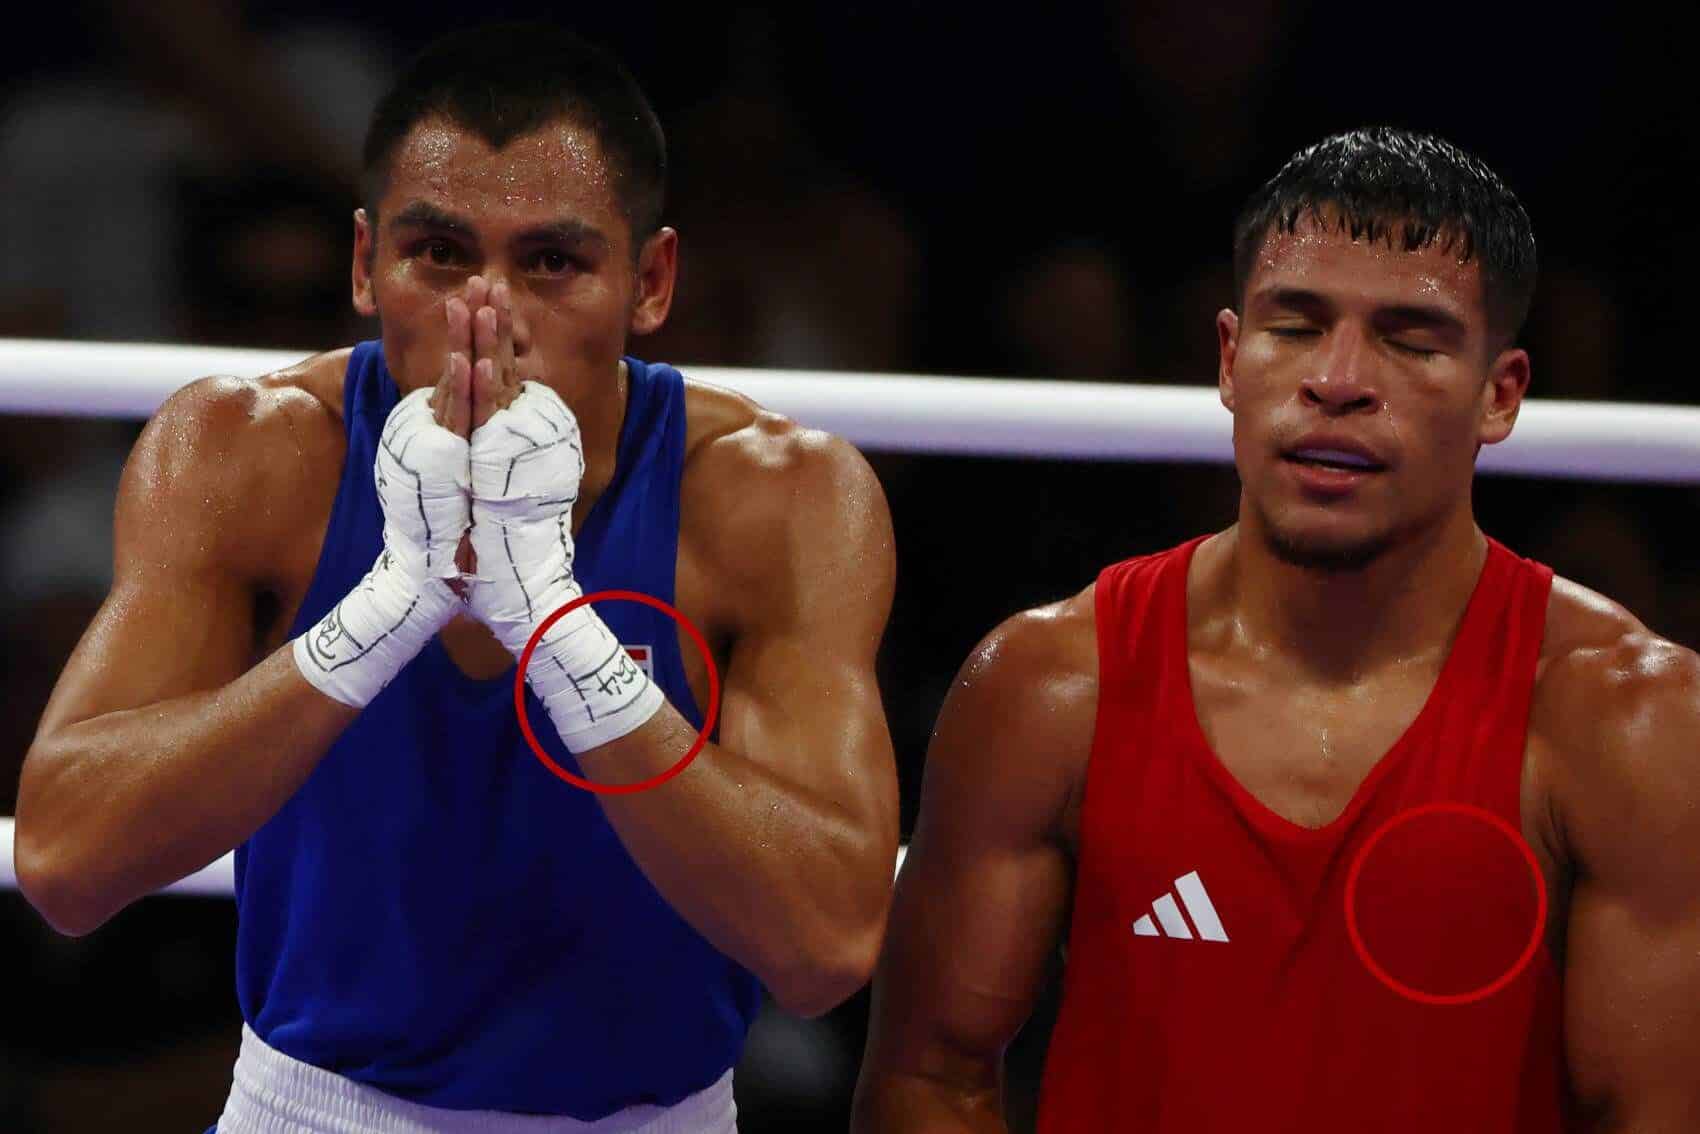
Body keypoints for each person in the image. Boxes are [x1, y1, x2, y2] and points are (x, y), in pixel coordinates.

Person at [14, 22, 899, 1132]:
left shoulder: (773, 497)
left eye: (551, 262)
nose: (491, 316)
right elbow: (65, 860)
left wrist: (556, 629)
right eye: (439, 252)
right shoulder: (255, 454)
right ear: (362, 263)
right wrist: (388, 608)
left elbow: (823, 946)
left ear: (652, 280)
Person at [852, 127, 1700, 1131]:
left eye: (1408, 338)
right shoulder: (1048, 684)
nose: (1336, 379)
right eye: (1293, 326)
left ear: (1499, 394)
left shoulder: (1623, 717)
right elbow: (927, 1082)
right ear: (1226, 357)